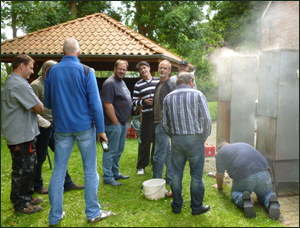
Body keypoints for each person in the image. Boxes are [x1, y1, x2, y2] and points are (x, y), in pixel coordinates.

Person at [44, 38, 111, 225]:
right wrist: (101, 130)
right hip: (84, 128)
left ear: (62, 52)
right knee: (90, 171)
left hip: (62, 129)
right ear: (79, 53)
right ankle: (92, 213)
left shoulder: (51, 72)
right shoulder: (86, 71)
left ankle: (55, 217)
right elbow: (96, 105)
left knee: (58, 172)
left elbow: (48, 103)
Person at [31, 60, 84, 194]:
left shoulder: (53, 83)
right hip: (42, 126)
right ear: (44, 70)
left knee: (61, 154)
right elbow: (31, 108)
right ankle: (37, 185)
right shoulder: (36, 85)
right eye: (53, 70)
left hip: (54, 125)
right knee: (41, 156)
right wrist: (44, 122)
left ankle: (68, 183)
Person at [162, 72, 212, 215]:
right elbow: (207, 119)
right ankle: (196, 208)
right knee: (196, 176)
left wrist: (173, 136)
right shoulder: (198, 95)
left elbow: (164, 124)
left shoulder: (167, 98)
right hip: (195, 139)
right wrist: (204, 136)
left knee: (176, 174)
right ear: (191, 81)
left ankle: (177, 206)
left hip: (176, 140)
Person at [1, 54, 44, 214]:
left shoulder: (12, 82)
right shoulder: (19, 84)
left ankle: (27, 196)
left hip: (21, 134)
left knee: (27, 167)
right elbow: (39, 108)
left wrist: (30, 106)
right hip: (21, 135)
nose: (32, 72)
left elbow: (33, 107)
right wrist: (33, 106)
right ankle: (21, 204)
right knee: (23, 170)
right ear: (22, 66)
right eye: (31, 68)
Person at [212, 142, 280, 220]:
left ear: (219, 150)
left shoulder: (221, 151)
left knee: (235, 192)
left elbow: (219, 174)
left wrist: (219, 187)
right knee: (266, 193)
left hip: (245, 175)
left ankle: (243, 199)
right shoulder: (243, 144)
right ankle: (271, 201)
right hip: (264, 171)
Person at [101, 60, 132, 186]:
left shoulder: (121, 82)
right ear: (114, 68)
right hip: (113, 124)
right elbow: (107, 104)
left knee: (119, 149)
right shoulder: (109, 83)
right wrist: (115, 121)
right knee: (110, 150)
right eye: (120, 69)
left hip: (123, 122)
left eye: (124, 70)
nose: (122, 71)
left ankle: (115, 172)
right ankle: (108, 177)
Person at [132, 61, 160, 175]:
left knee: (157, 141)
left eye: (144, 68)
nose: (143, 70)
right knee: (145, 141)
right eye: (141, 69)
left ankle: (154, 163)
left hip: (158, 115)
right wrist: (143, 101)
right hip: (147, 115)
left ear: (149, 68)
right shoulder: (138, 84)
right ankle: (141, 166)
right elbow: (133, 102)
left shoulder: (158, 81)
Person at [152, 60, 176, 184]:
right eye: (160, 68)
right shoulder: (159, 83)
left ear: (169, 71)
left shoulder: (170, 85)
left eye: (165, 68)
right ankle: (170, 178)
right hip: (157, 121)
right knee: (167, 153)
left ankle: (155, 182)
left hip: (163, 123)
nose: (162, 70)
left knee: (158, 154)